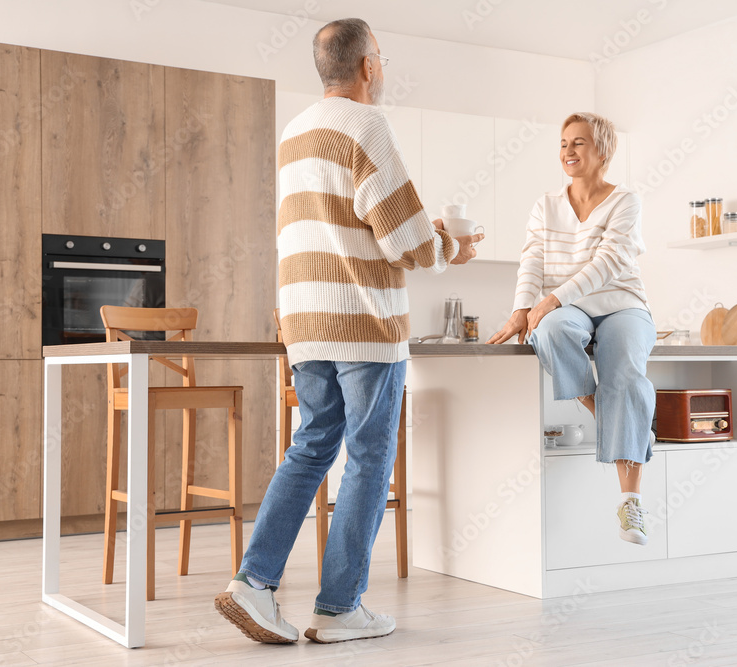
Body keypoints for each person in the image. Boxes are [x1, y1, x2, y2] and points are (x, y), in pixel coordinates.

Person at [214, 18, 482, 645]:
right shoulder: (367, 126)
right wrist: (453, 245)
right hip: (363, 321)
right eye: (382, 59)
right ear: (367, 66)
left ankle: (253, 584)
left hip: (305, 319)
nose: (382, 70)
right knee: (368, 459)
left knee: (311, 448)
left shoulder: (295, 131)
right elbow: (406, 239)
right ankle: (339, 609)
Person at [487, 111, 656, 546]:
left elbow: (609, 264)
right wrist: (523, 309)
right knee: (552, 331)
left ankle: (629, 504)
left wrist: (551, 299)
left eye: (578, 143)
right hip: (568, 308)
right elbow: (533, 261)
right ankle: (615, 420)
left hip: (621, 303)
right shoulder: (546, 205)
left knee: (625, 378)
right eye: (564, 143)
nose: (568, 151)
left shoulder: (625, 202)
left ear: (602, 151)